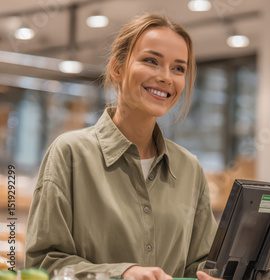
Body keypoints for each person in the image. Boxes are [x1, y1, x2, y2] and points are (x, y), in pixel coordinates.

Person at [25, 13, 217, 280]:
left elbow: (199, 264)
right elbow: (44, 263)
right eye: (151, 61)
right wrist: (122, 273)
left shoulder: (189, 168)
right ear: (118, 68)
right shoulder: (70, 153)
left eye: (178, 68)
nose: (165, 77)